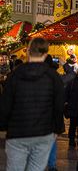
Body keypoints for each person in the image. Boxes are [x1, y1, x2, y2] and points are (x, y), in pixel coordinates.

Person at [0, 38, 65, 171]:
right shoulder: (53, 77)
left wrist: (4, 125)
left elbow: (5, 104)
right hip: (43, 132)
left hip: (18, 131)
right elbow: (58, 106)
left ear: (28, 52)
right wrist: (57, 128)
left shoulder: (15, 75)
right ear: (46, 54)